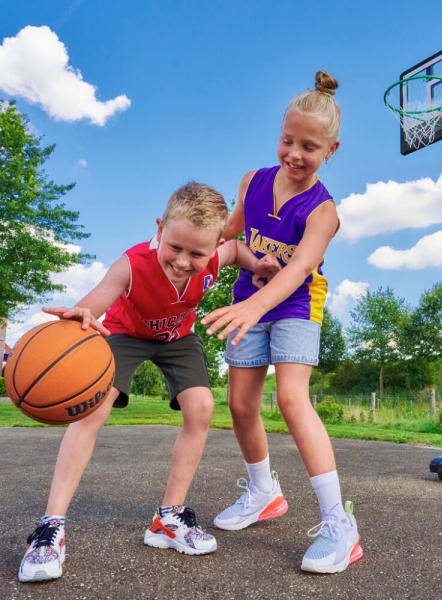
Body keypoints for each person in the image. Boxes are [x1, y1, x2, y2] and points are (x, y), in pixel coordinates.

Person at [18, 182, 279, 583]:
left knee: (202, 408)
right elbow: (101, 295)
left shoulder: (215, 256)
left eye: (197, 253)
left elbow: (236, 249)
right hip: (125, 334)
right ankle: (50, 527)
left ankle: (168, 518)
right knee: (95, 408)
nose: (183, 260)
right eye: (174, 247)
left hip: (178, 338)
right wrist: (81, 313)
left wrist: (256, 264)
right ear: (160, 228)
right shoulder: (132, 264)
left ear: (213, 246)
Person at [202, 71, 363, 574]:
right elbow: (231, 238)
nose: (295, 153)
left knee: (292, 398)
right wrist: (193, 257)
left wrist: (256, 303)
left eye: (309, 147)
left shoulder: (324, 211)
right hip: (250, 297)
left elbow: (298, 271)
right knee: (241, 403)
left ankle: (340, 525)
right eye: (287, 140)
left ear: (331, 149)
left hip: (295, 304)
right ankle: (264, 492)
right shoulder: (253, 181)